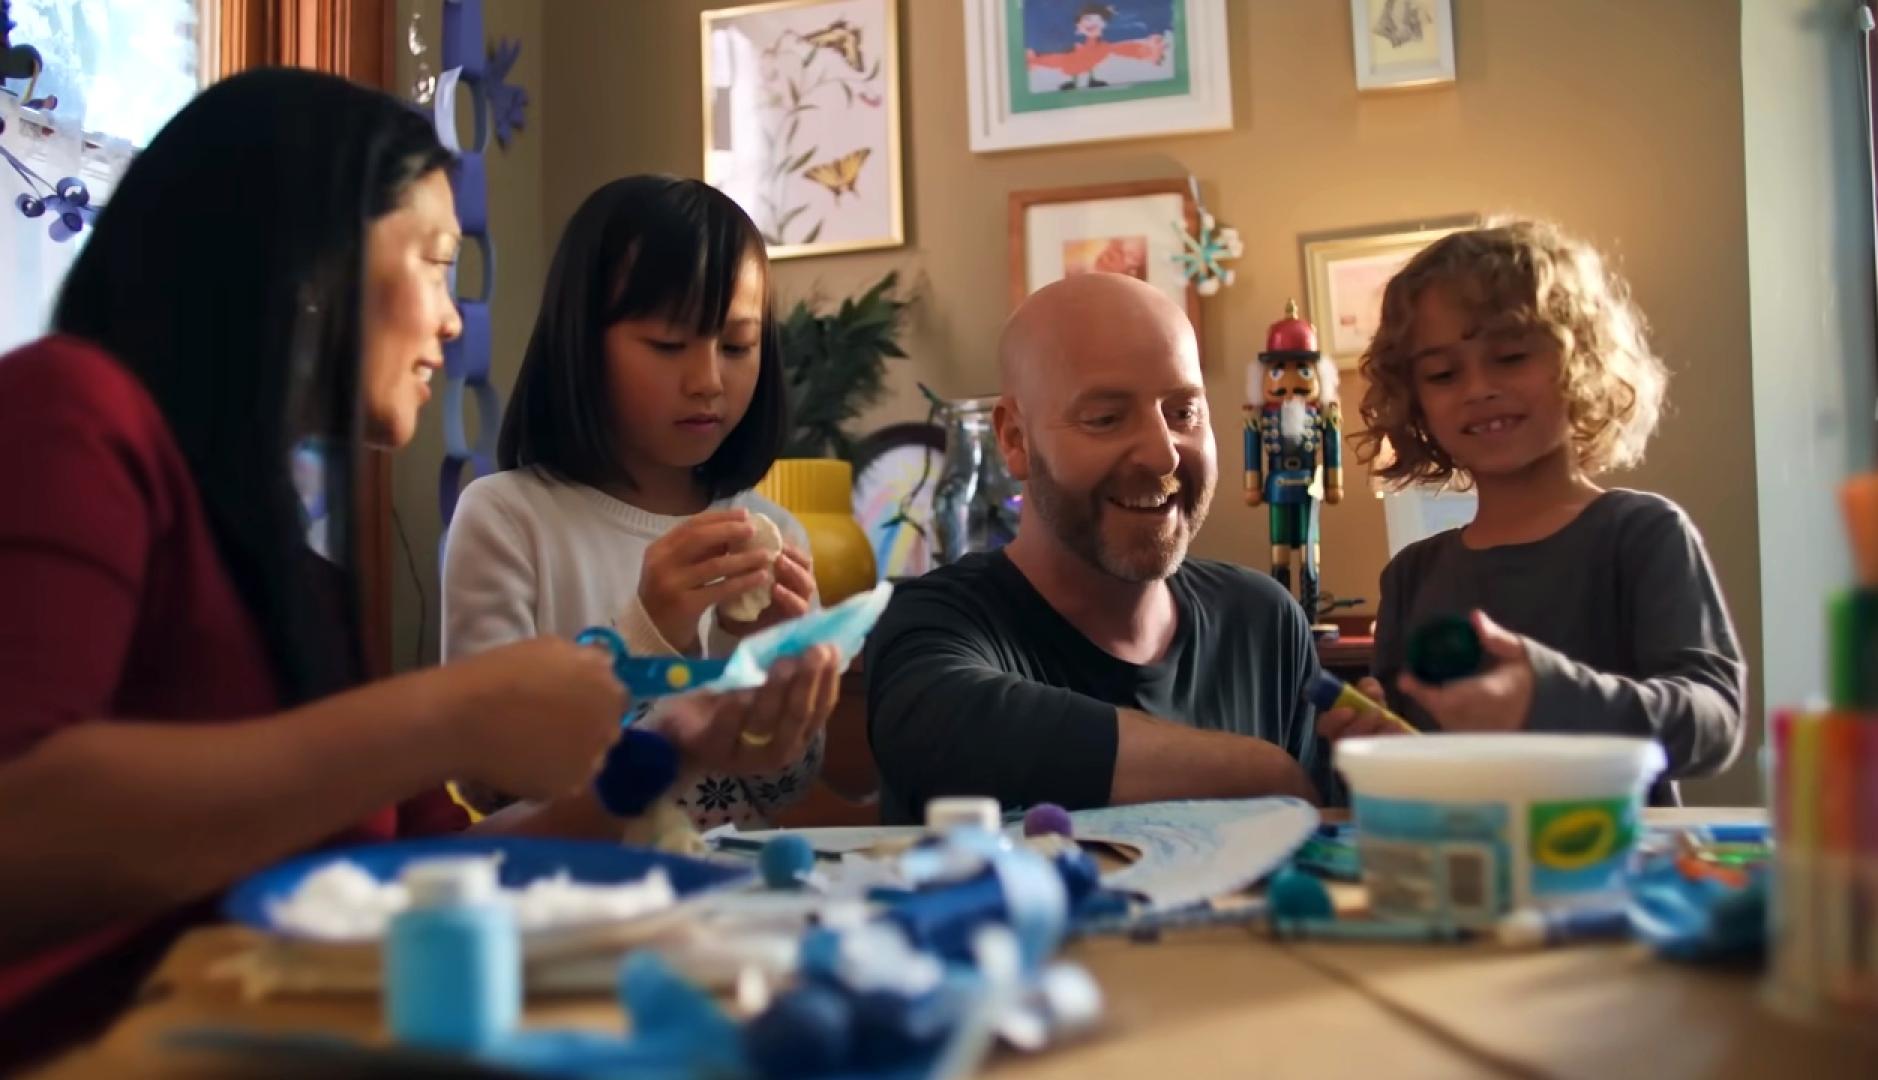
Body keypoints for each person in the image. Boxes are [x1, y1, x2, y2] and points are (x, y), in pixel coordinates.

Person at [0, 71, 807, 1061]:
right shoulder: (71, 410)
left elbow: (431, 872)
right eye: (432, 262)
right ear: (306, 262)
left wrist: (672, 750)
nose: (454, 321)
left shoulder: (302, 584)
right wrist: (449, 714)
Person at [442, 176, 837, 830]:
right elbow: (494, 782)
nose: (708, 381)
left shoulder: (774, 529)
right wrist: (650, 636)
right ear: (581, 342)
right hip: (576, 902)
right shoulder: (508, 520)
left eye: (737, 346)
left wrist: (773, 680)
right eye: (668, 345)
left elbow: (784, 789)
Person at [865, 273, 1327, 826]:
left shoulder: (1264, 621)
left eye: (1184, 413)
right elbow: (946, 726)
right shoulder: (933, 622)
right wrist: (1263, 775)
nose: (1163, 456)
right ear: (1015, 439)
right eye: (1106, 419)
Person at [1319, 220, 1746, 804]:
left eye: (1511, 356)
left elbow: (1714, 723)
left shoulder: (1643, 533)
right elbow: (1417, 755)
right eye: (1444, 374)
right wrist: (1378, 742)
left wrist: (1549, 697)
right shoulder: (1411, 574)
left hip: (1603, 870)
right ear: (1416, 401)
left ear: (1581, 362)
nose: (1478, 388)